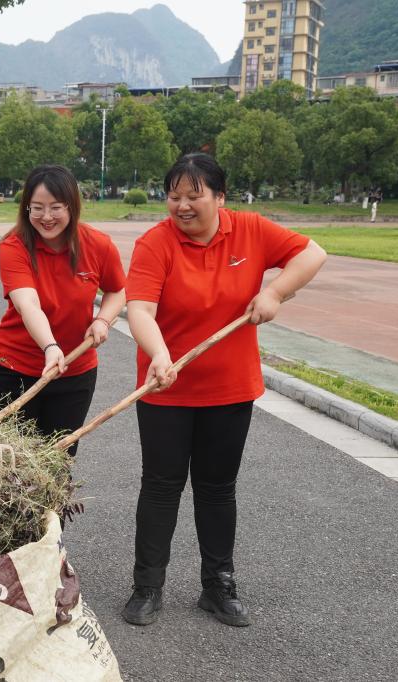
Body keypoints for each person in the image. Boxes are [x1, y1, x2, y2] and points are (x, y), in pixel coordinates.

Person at [121, 153, 326, 627]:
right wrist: (158, 353)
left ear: (220, 197)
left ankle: (218, 586)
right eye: (174, 197)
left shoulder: (250, 230)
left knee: (216, 489)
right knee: (160, 486)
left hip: (229, 390)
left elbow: (312, 254)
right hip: (164, 387)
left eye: (194, 196)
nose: (182, 206)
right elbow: (139, 310)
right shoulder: (156, 243)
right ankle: (147, 586)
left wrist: (274, 293)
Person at [0, 164, 127, 456]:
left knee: (58, 459)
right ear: (26, 208)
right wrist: (50, 346)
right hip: (15, 370)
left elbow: (117, 290)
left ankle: (54, 505)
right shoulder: (14, 246)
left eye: (56, 207)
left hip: (75, 373)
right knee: (14, 462)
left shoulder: (98, 245)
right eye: (37, 208)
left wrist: (103, 319)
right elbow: (29, 305)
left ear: (72, 206)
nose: (46, 217)